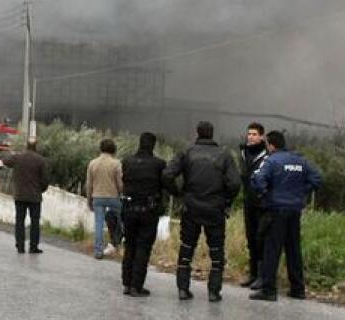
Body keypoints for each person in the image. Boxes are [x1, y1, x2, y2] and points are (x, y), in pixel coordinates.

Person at [164, 121, 241, 303]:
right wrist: (226, 200)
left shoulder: (187, 152)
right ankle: (214, 292)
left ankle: (183, 289)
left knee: (187, 248)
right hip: (215, 209)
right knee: (216, 252)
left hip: (191, 208)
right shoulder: (224, 155)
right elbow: (235, 183)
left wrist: (179, 193)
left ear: (197, 133)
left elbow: (167, 174)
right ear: (212, 134)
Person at [249, 130, 322, 302]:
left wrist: (266, 195)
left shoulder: (271, 161)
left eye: (267, 145)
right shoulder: (300, 160)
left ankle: (268, 290)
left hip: (276, 210)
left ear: (271, 145)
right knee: (293, 249)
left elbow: (258, 180)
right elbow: (317, 178)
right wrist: (302, 194)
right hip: (294, 211)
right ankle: (298, 288)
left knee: (272, 249)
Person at [119, 132, 166, 297]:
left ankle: (126, 283)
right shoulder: (159, 164)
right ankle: (136, 286)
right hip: (148, 211)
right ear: (153, 145)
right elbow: (166, 184)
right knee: (143, 248)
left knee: (129, 246)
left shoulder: (127, 161)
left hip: (128, 209)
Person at [4, 139, 49, 254]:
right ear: (36, 147)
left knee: (19, 221)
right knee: (35, 222)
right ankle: (33, 247)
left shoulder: (18, 157)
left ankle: (20, 246)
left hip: (20, 195)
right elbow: (45, 180)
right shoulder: (41, 160)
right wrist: (40, 190)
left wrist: (11, 153)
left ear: (26, 146)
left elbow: (5, 161)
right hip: (35, 197)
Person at [239, 122, 268, 288]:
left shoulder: (267, 155)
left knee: (261, 239)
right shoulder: (243, 152)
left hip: (261, 204)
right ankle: (253, 274)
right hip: (248, 202)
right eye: (249, 134)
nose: (251, 137)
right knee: (251, 239)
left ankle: (262, 277)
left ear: (262, 136)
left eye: (254, 134)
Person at [86, 138, 123, 259]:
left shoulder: (93, 163)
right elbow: (120, 183)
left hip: (97, 197)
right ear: (113, 149)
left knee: (99, 224)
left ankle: (98, 251)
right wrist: (122, 194)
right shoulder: (116, 163)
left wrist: (89, 200)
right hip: (113, 197)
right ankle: (117, 242)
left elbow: (89, 184)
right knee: (122, 218)